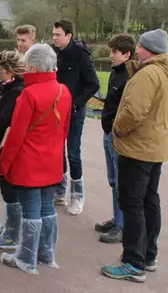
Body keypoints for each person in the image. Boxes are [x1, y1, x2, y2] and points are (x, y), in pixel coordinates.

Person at [101, 29, 168, 284]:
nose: (137, 50)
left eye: (141, 47)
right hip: (156, 145)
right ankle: (148, 255)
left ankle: (133, 262)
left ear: (148, 49)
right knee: (149, 200)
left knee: (132, 203)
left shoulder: (148, 74)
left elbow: (134, 112)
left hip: (138, 147)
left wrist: (117, 129)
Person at [0, 44, 71, 274]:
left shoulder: (29, 94)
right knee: (47, 208)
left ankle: (26, 258)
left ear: (32, 66)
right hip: (52, 158)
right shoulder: (64, 91)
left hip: (29, 161)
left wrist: (4, 164)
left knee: (30, 209)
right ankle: (46, 253)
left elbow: (16, 135)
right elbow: (64, 131)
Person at [51, 19, 100, 215]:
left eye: (58, 35)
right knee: (57, 151)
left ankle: (77, 195)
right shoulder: (52, 53)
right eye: (53, 34)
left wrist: (74, 103)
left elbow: (93, 84)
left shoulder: (81, 55)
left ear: (68, 36)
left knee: (73, 152)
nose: (54, 38)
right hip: (54, 112)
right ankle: (60, 190)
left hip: (74, 112)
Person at [0, 50, 27, 250]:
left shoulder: (16, 91)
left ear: (9, 71)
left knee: (9, 189)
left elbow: (4, 119)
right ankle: (8, 228)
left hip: (8, 147)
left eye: (0, 72)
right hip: (4, 145)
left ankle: (11, 235)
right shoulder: (10, 88)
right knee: (7, 188)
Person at [95, 34, 135, 245]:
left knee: (120, 183)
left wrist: (116, 129)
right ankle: (116, 219)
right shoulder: (116, 73)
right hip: (108, 132)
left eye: (114, 52)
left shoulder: (130, 76)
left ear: (127, 54)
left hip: (117, 135)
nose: (111, 55)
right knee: (113, 181)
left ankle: (122, 226)